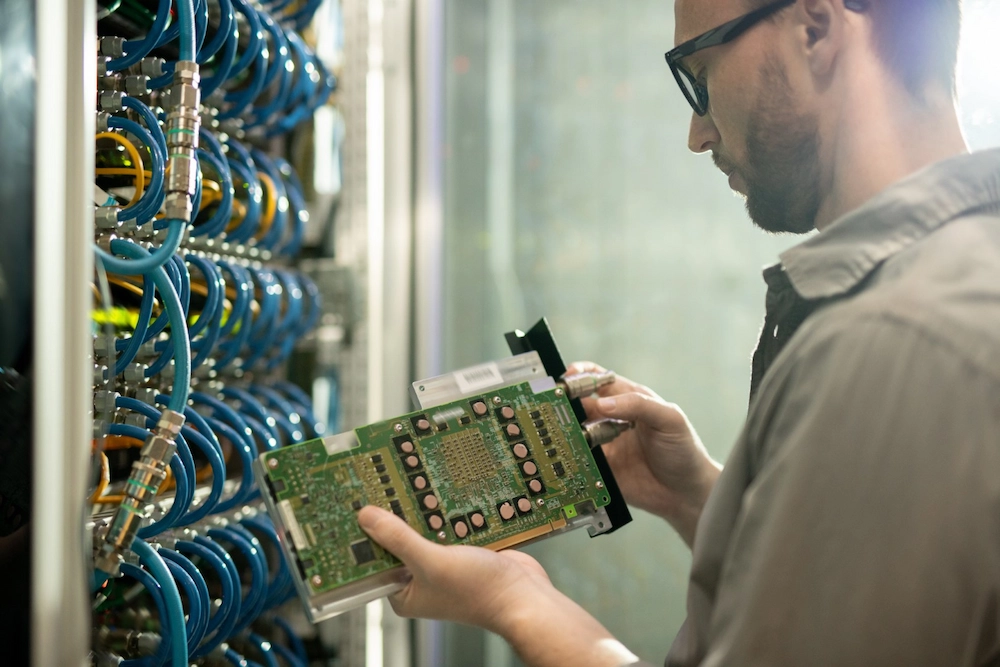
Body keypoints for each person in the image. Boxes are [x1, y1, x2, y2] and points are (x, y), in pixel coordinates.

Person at [359, 0, 1000, 664]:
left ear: (815, 27)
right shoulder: (953, 283)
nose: (697, 133)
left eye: (699, 74)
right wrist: (697, 496)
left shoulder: (898, 338)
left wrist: (518, 602)